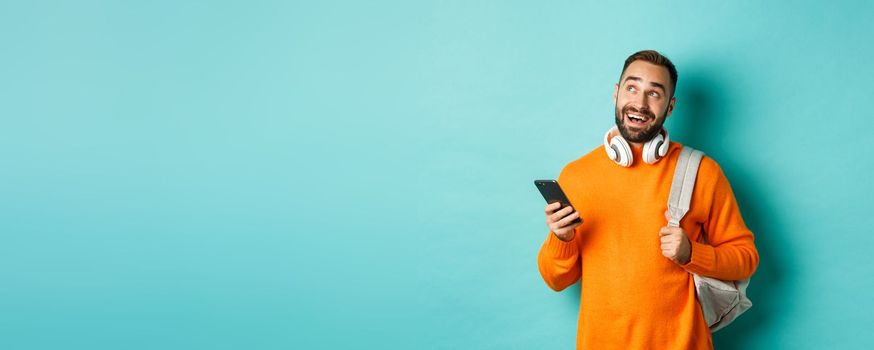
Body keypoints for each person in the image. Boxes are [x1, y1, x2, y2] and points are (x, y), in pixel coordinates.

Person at [536, 50, 759, 349]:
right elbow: (556, 280)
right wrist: (561, 237)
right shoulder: (577, 176)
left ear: (670, 107)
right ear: (616, 93)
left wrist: (692, 253)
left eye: (654, 93)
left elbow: (746, 259)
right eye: (632, 88)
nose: (640, 103)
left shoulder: (701, 171)